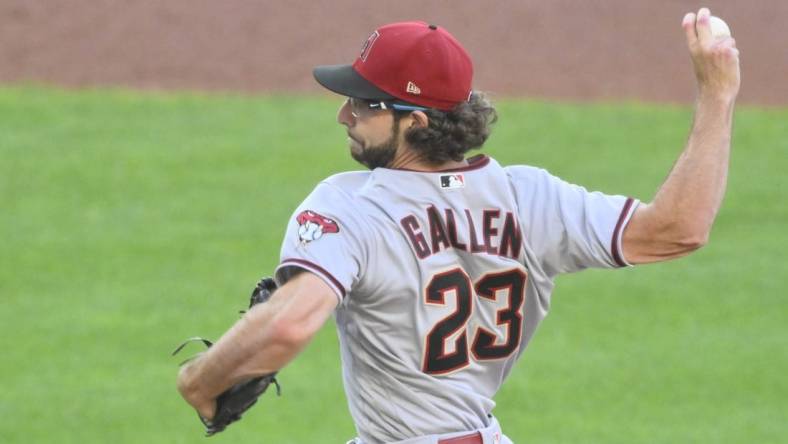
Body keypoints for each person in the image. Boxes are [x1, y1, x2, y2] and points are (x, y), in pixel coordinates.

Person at [177, 8, 739, 444]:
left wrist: (200, 381)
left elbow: (289, 325)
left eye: (363, 104)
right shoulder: (529, 197)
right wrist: (717, 95)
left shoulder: (350, 206)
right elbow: (678, 229)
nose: (344, 115)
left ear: (414, 122)